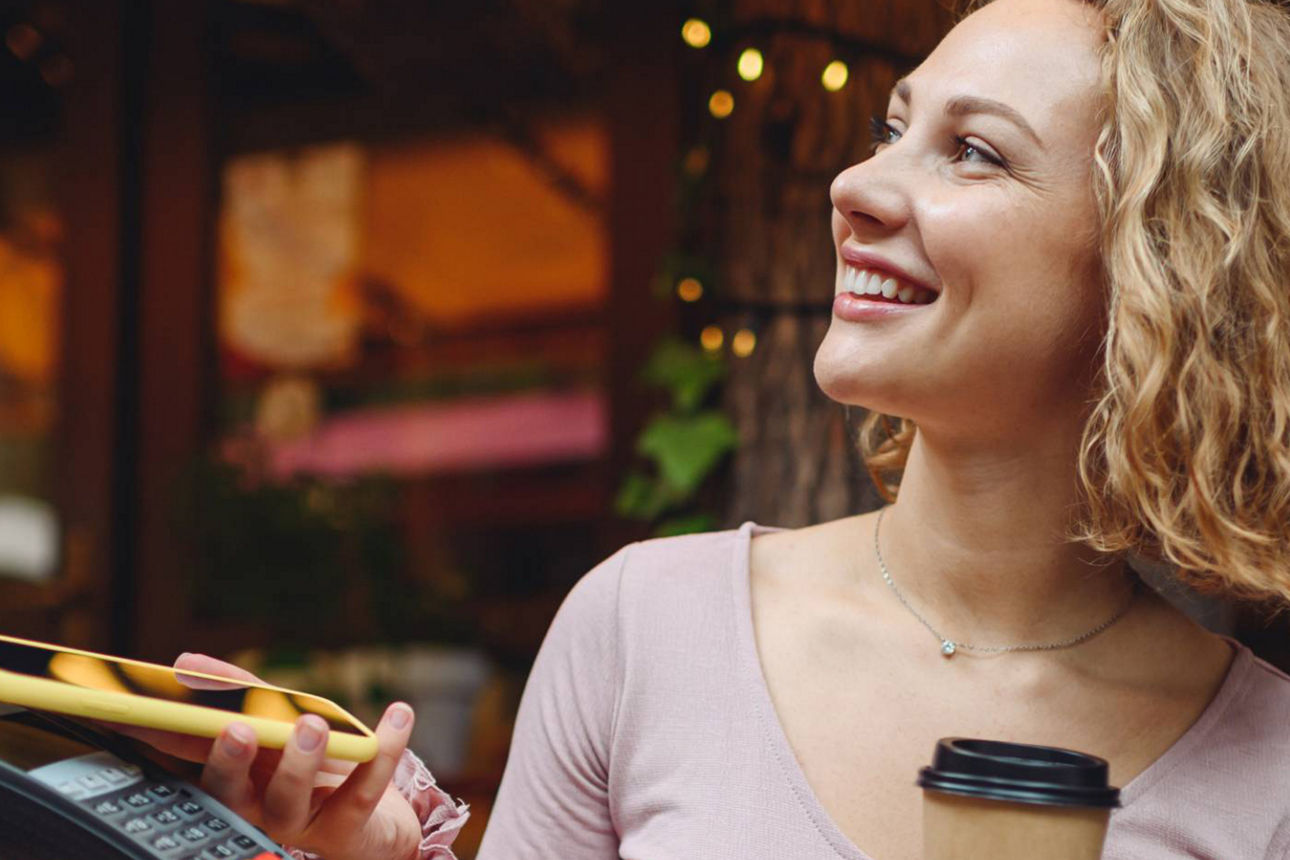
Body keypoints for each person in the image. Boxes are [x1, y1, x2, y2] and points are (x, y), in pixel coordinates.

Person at [143, 0, 1290, 856]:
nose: (856, 182)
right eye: (892, 129)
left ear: (1156, 272)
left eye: (974, 151)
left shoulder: (1269, 767)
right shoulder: (648, 627)